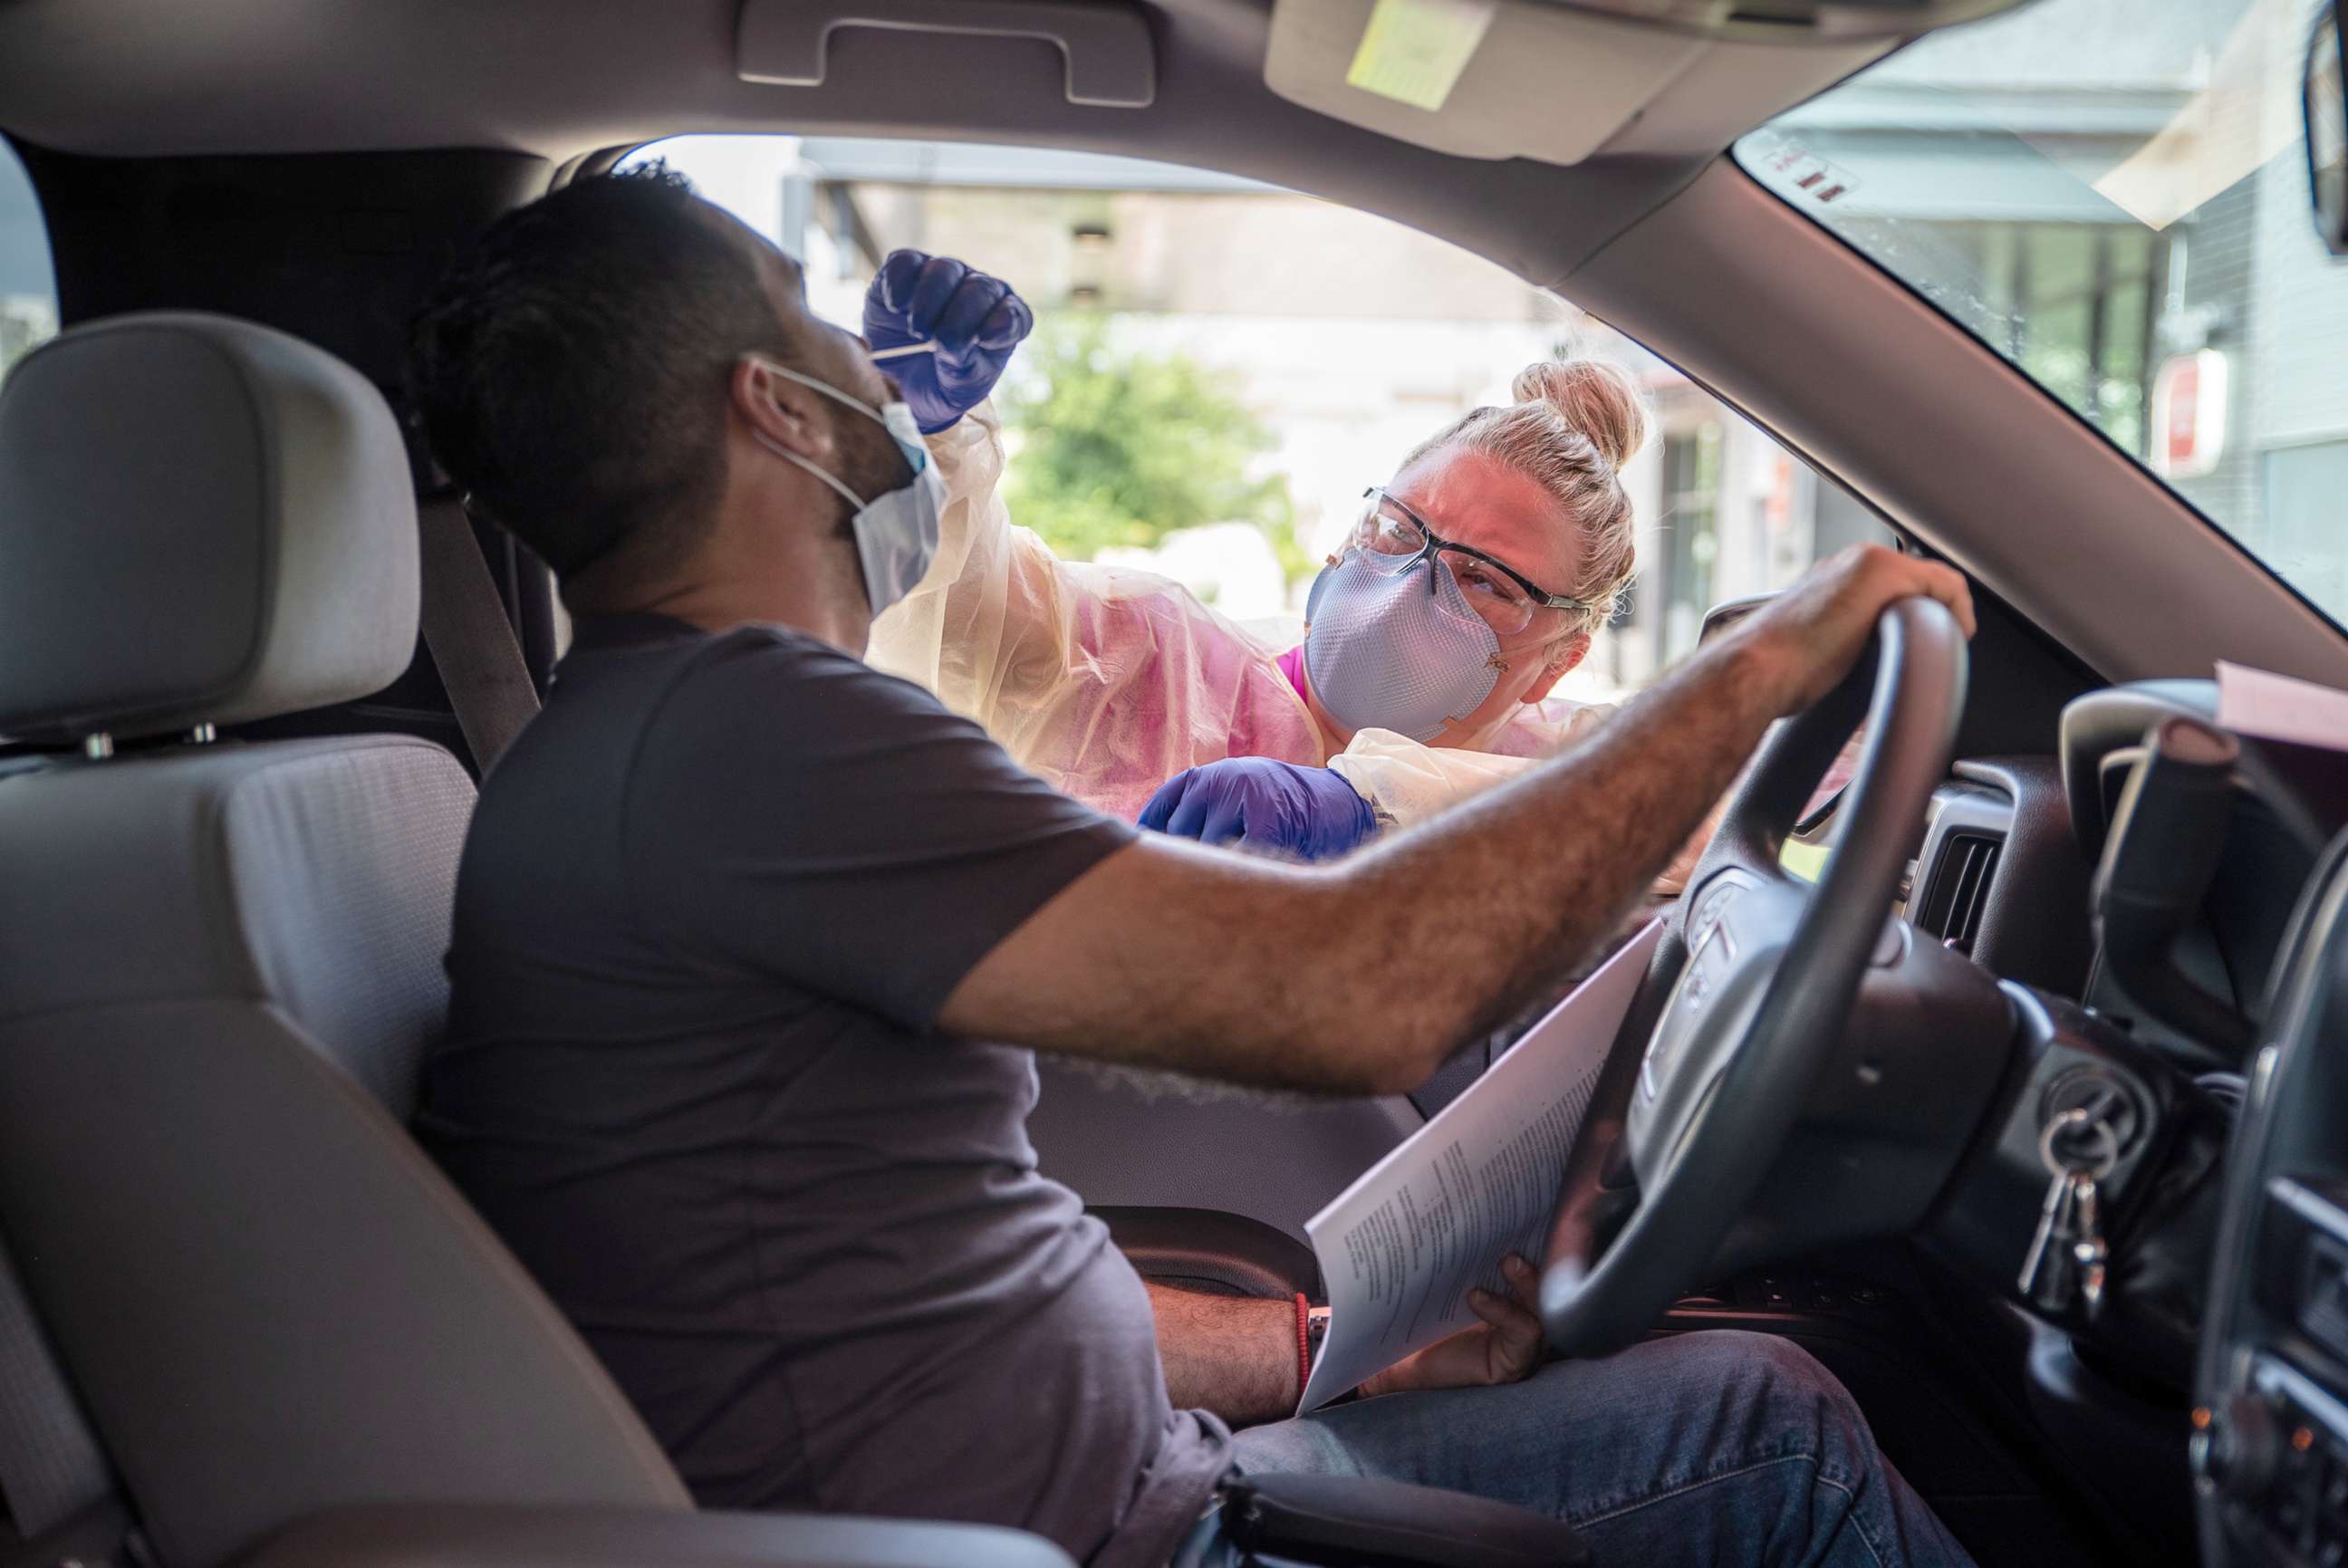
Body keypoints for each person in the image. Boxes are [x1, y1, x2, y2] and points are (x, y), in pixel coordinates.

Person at [405, 167, 1980, 1568]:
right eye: (816, 333)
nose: (869, 376)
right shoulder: (761, 738)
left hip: (1123, 1478)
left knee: (1745, 1400)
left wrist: (1313, 1354)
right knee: (1771, 1438)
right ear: (777, 408)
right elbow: (1364, 995)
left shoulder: (673, 732)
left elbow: (937, 1285)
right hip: (1097, 1532)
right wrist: (1743, 681)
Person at [859, 249, 1635, 862]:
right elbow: (954, 611)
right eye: (1400, 529)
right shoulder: (1154, 662)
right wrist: (926, 439)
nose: (1407, 588)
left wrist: (1376, 805)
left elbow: (1698, 809)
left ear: (1562, 657)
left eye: (1481, 581)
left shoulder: (1573, 772)